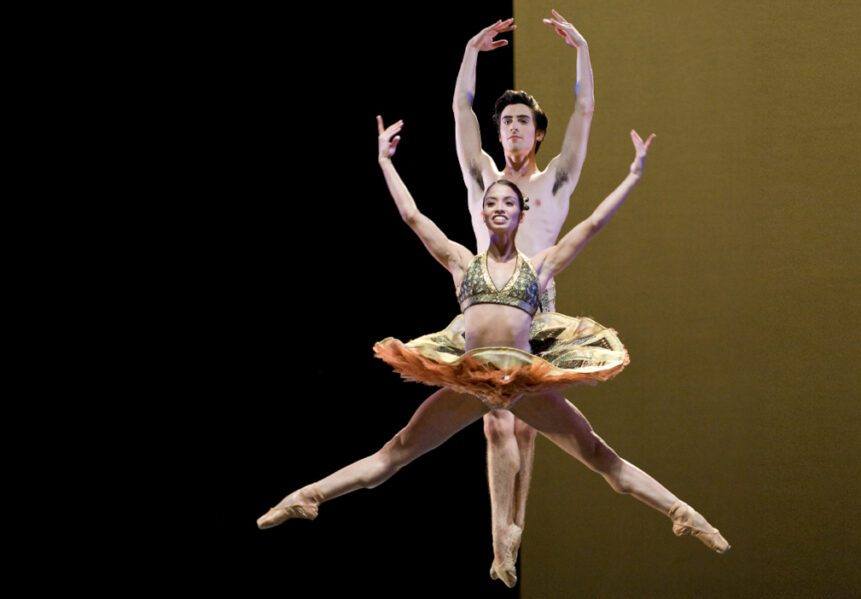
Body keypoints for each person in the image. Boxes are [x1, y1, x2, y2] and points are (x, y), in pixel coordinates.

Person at [255, 117, 730, 587]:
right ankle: (308, 495)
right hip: (472, 380)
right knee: (396, 451)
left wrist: (632, 175)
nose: (500, 207)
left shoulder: (539, 266)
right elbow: (413, 218)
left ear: (521, 214)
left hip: (524, 385)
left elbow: (591, 224)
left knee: (598, 455)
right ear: (483, 215)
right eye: (492, 202)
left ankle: (683, 513)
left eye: (509, 202)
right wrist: (385, 162)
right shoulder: (463, 262)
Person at [451, 12, 595, 581]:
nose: (511, 129)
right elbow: (461, 111)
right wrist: (469, 49)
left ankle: (515, 531)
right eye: (505, 121)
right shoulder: (481, 179)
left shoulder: (555, 181)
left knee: (527, 422)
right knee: (495, 422)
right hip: (487, 308)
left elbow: (584, 113)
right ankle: (500, 541)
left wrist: (582, 50)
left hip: (539, 306)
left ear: (537, 133)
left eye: (522, 122)